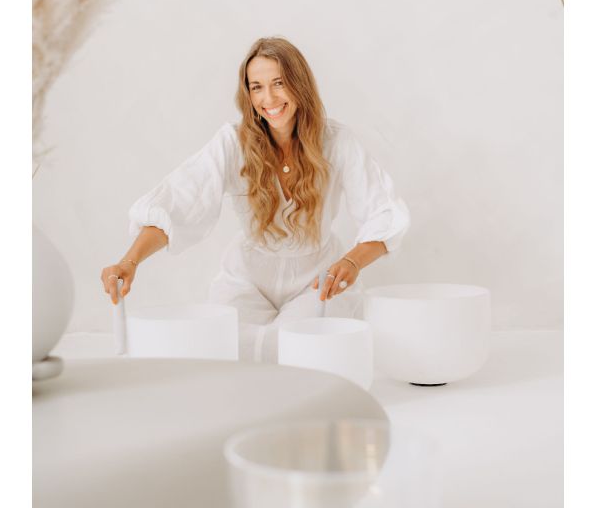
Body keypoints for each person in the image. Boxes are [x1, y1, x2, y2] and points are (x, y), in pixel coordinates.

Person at [100, 36, 410, 363]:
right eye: (257, 87)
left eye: (279, 83)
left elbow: (384, 213)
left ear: (300, 85)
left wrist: (352, 262)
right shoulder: (232, 143)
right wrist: (129, 261)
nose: (269, 98)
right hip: (246, 280)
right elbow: (180, 200)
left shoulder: (337, 142)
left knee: (299, 349)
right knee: (219, 345)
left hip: (318, 281)